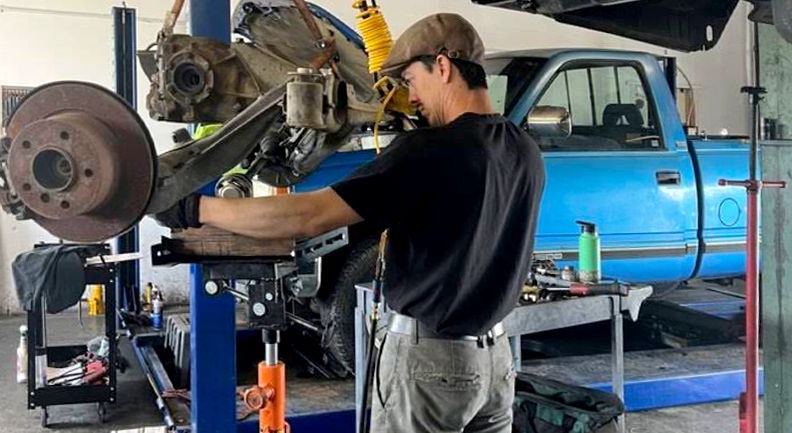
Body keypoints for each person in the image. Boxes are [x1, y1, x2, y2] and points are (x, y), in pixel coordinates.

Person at [155, 13, 544, 433]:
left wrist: (196, 211)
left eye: (412, 80)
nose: (410, 98)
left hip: (433, 364)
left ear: (444, 66)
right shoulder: (524, 150)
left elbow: (308, 216)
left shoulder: (431, 151)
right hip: (496, 360)